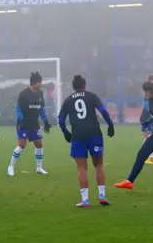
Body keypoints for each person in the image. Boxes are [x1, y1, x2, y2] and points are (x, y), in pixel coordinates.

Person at [58, 75, 115, 208]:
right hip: (94, 133)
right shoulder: (92, 96)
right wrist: (110, 125)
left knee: (81, 167)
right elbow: (104, 111)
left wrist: (66, 132)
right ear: (85, 85)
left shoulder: (68, 100)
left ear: (73, 87)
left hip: (78, 136)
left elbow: (60, 120)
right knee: (99, 164)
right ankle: (102, 196)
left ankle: (85, 200)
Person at [7, 72, 52, 176]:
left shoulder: (40, 93)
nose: (41, 84)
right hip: (23, 124)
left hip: (34, 124)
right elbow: (18, 108)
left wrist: (45, 121)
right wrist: (21, 119)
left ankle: (39, 168)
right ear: (35, 82)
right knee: (22, 145)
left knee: (39, 144)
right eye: (40, 82)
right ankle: (11, 167)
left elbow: (42, 108)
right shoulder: (24, 93)